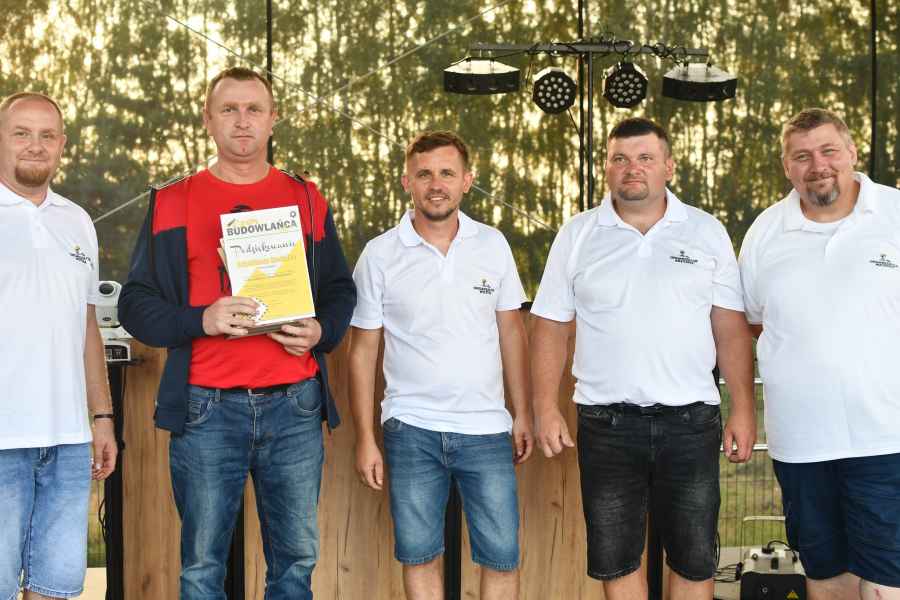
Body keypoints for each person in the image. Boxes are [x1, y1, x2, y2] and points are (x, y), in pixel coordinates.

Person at [119, 67, 355, 600]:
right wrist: (199, 320)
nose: (242, 121)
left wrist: (322, 331)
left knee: (295, 564)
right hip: (205, 409)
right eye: (229, 109)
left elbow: (340, 289)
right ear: (208, 120)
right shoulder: (172, 199)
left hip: (295, 406)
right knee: (202, 567)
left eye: (254, 109)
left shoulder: (305, 197)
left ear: (273, 120)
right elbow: (135, 303)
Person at [530, 117, 756, 600]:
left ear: (668, 166)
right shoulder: (577, 235)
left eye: (645, 158)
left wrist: (743, 408)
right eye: (620, 158)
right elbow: (550, 326)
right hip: (606, 425)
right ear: (606, 168)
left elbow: (730, 328)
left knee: (694, 560)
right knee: (617, 561)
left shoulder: (706, 231)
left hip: (691, 422)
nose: (632, 168)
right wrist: (545, 408)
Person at [348, 130, 533, 600]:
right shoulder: (379, 254)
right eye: (424, 174)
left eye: (447, 173)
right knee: (419, 555)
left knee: (502, 556)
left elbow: (512, 333)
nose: (436, 184)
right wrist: (366, 438)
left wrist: (523, 414)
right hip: (411, 426)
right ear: (406, 181)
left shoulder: (492, 245)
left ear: (467, 181)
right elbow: (362, 350)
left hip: (486, 428)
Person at [739, 108, 900, 600]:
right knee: (825, 577)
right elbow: (754, 322)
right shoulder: (765, 232)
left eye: (829, 150)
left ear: (852, 152)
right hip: (802, 443)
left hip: (886, 437)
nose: (818, 165)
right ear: (787, 166)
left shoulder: (894, 214)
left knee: (886, 582)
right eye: (802, 156)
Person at [0, 92, 117, 600]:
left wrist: (102, 417)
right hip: (2, 438)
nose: (35, 145)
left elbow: (85, 325)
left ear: (62, 144)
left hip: (68, 442)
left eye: (47, 135)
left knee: (55, 589)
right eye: (21, 133)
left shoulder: (78, 222)